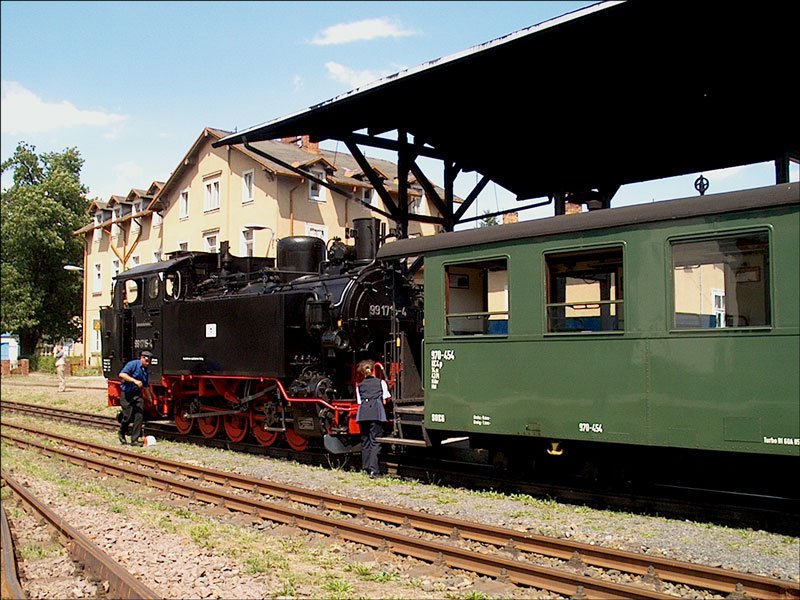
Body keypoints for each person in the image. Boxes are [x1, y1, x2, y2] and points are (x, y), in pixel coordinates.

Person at [355, 359, 391, 477]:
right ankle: (374, 470)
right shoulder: (381, 383)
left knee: (365, 442)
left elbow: (359, 402)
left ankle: (365, 468)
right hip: (376, 413)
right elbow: (386, 399)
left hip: (363, 414)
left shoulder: (359, 386)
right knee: (375, 441)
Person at [117, 350, 152, 445]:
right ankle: (121, 432)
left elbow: (145, 386)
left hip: (137, 395)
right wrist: (134, 381)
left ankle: (134, 440)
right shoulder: (132, 364)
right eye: (146, 360)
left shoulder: (145, 371)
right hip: (127, 394)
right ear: (142, 358)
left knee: (139, 416)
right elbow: (122, 374)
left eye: (149, 361)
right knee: (127, 417)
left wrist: (149, 398)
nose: (148, 362)